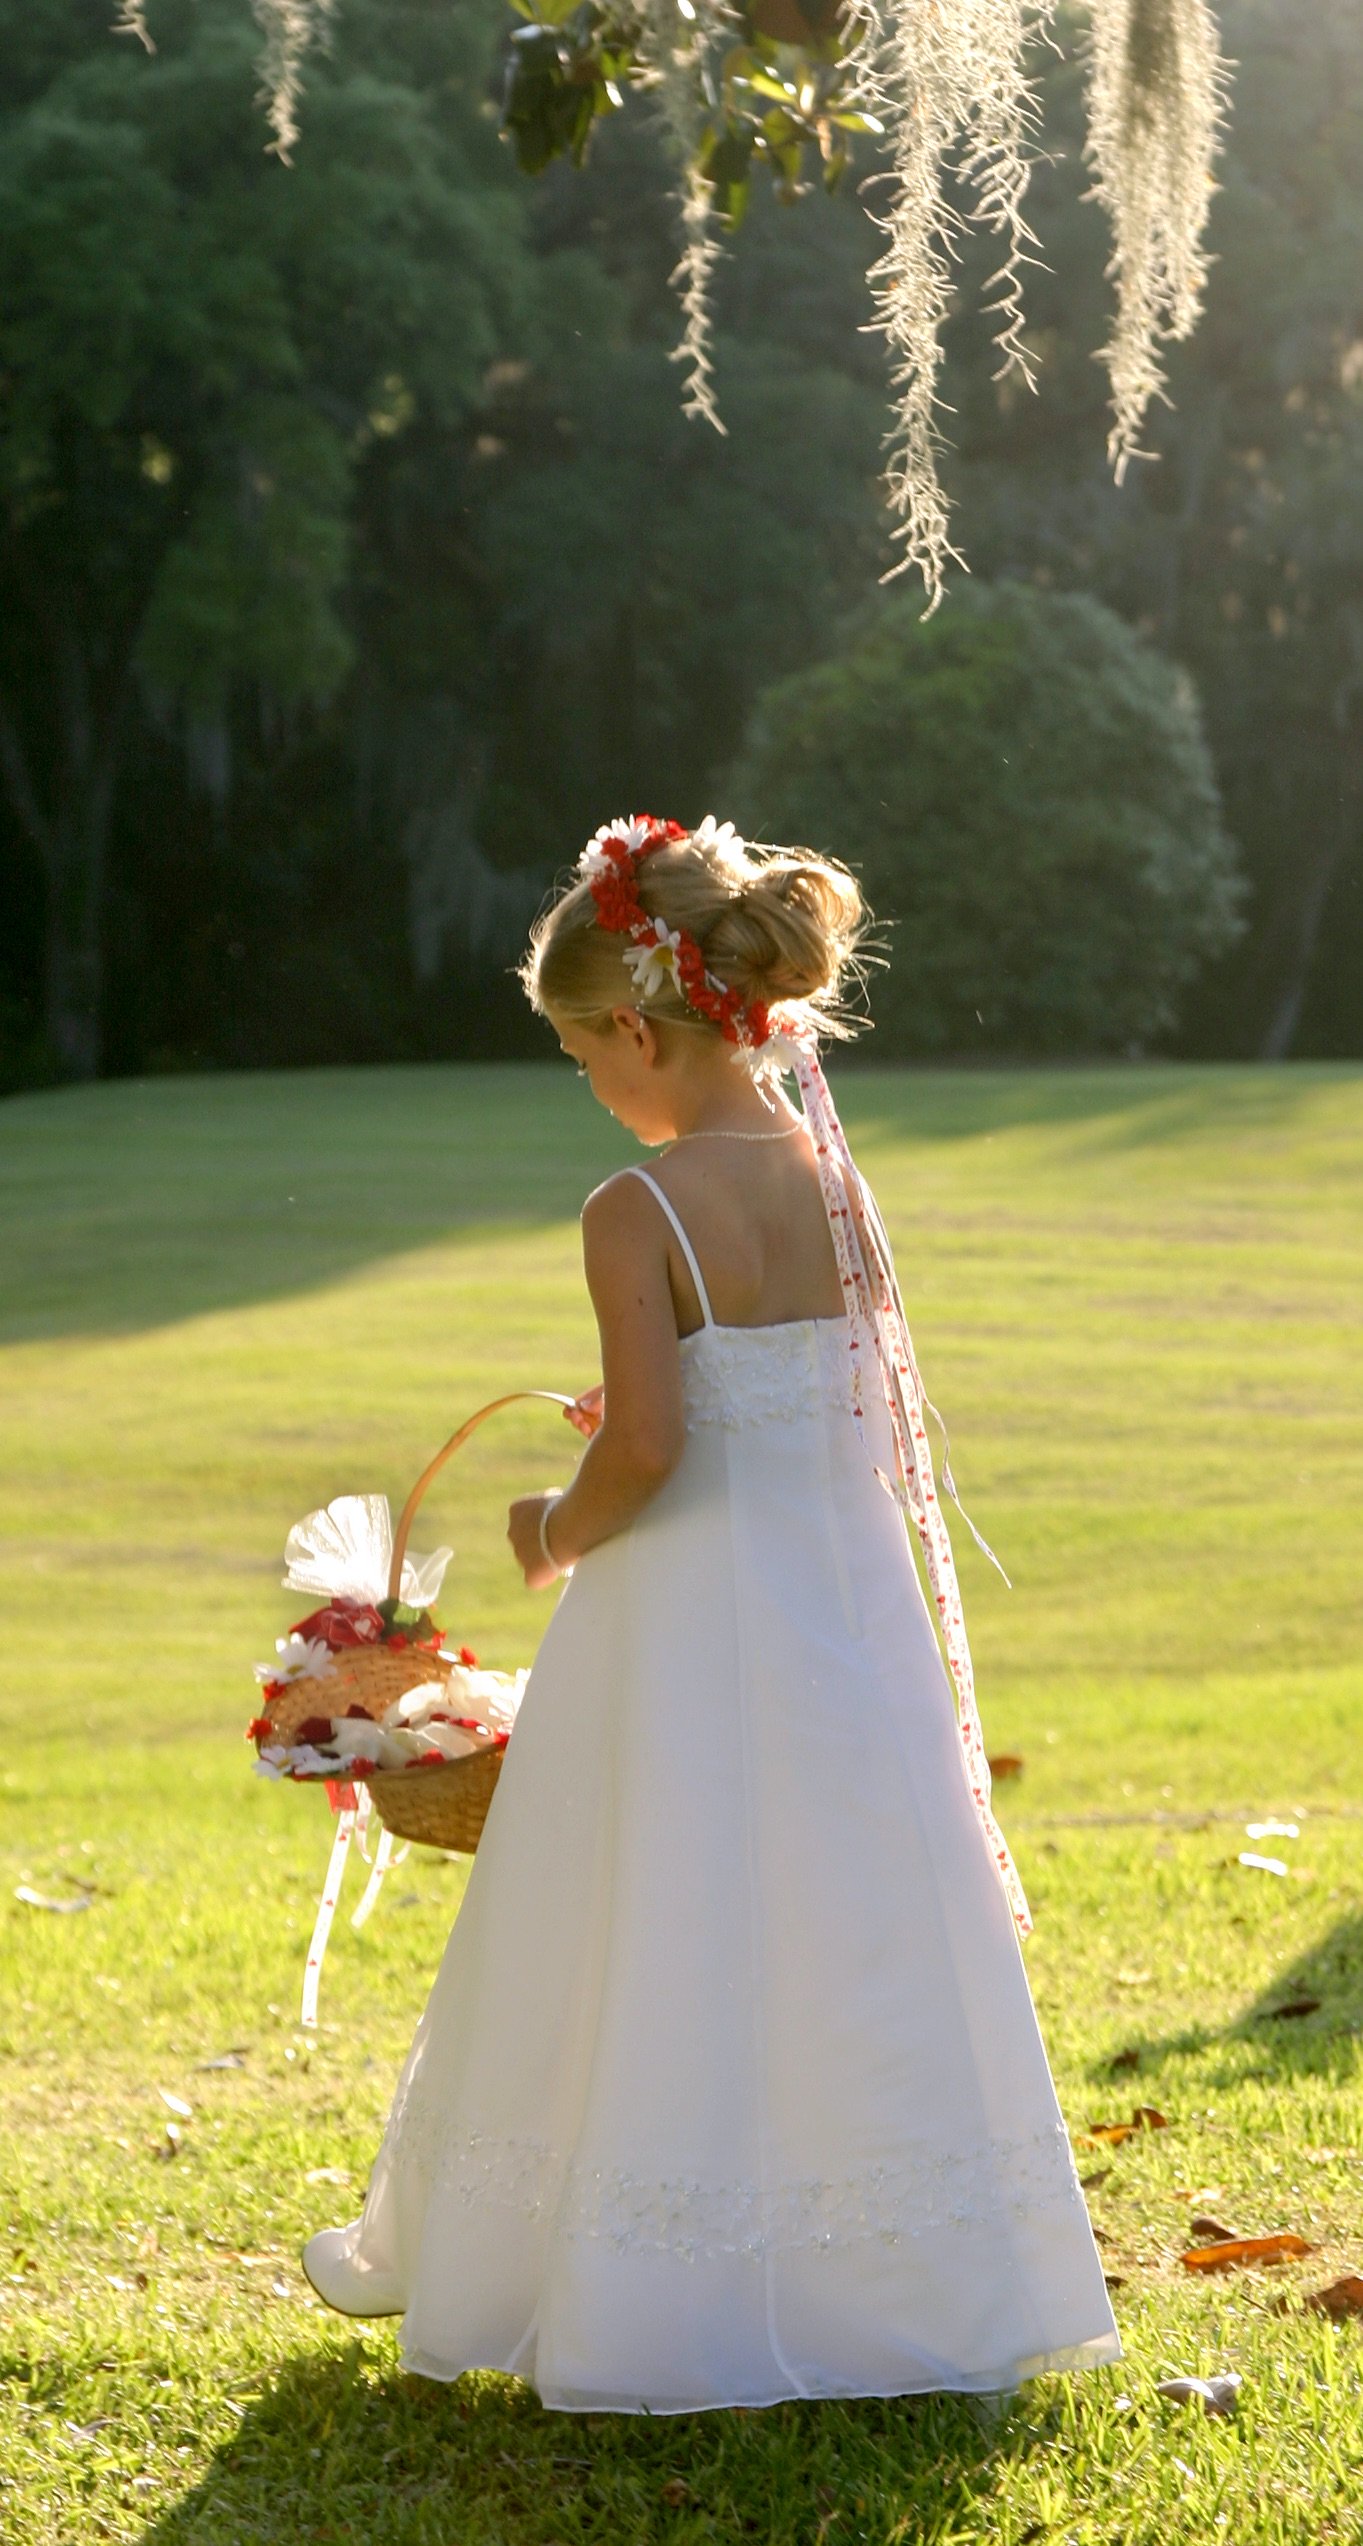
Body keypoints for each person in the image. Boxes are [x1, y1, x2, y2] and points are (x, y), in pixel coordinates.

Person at [302, 814, 1120, 2412]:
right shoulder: (833, 1180)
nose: (589, 1089)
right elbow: (825, 1398)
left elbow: (657, 1451)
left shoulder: (636, 1206)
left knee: (652, 1902)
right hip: (838, 1608)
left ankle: (599, 2271)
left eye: (578, 1054)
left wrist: (550, 1523)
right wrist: (669, 1408)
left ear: (636, 1025)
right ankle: (898, 2269)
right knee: (843, 1913)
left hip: (679, 1619)